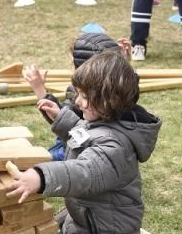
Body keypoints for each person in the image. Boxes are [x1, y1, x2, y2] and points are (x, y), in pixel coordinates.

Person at [7, 50, 170, 234]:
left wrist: (41, 177)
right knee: (56, 230)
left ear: (109, 101)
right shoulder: (103, 121)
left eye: (85, 97)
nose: (79, 102)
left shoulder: (115, 147)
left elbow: (82, 172)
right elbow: (81, 135)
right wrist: (60, 117)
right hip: (95, 218)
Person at [23, 32, 132, 161]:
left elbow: (63, 119)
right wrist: (124, 61)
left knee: (37, 168)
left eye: (73, 64)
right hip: (84, 142)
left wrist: (39, 89)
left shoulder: (87, 97)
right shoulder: (115, 88)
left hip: (77, 147)